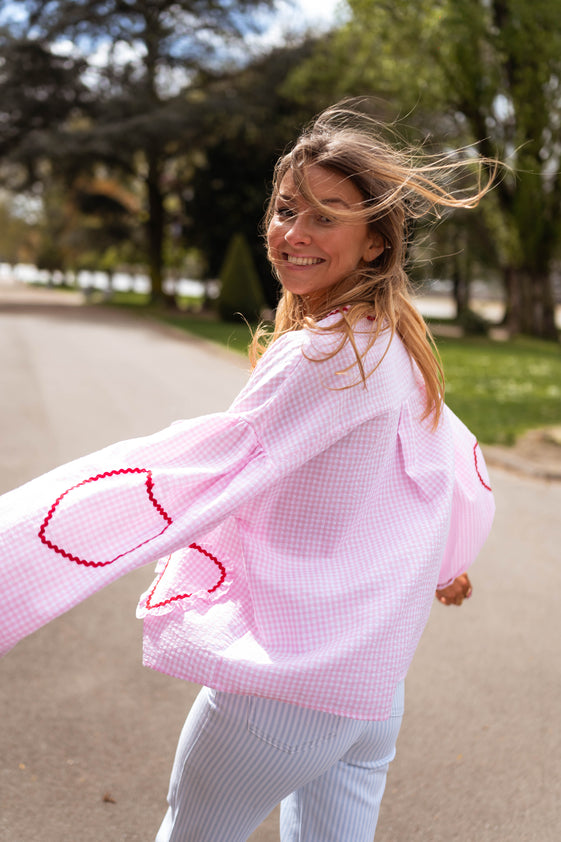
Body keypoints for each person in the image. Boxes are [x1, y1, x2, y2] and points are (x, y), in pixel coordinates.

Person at [0, 103, 496, 841]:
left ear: (373, 244)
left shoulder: (324, 353)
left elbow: (190, 472)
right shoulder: (393, 342)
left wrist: (16, 551)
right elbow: (446, 460)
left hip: (287, 682)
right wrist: (448, 561)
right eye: (286, 208)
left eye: (326, 216)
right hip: (366, 685)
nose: (293, 233)